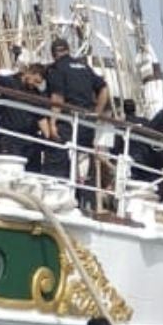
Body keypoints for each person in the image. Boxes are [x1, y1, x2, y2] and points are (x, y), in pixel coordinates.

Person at [42, 37, 110, 202]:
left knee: (58, 163)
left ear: (54, 53)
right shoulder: (85, 67)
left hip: (67, 123)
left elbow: (57, 96)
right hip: (86, 125)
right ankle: (84, 203)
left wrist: (52, 122)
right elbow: (104, 89)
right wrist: (96, 114)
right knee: (82, 165)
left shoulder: (57, 68)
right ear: (68, 50)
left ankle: (58, 200)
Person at [0, 61, 57, 172]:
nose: (35, 84)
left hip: (29, 140)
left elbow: (41, 118)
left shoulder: (36, 94)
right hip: (10, 137)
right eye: (35, 81)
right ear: (29, 73)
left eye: (38, 83)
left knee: (33, 171)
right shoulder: (10, 83)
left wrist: (49, 139)